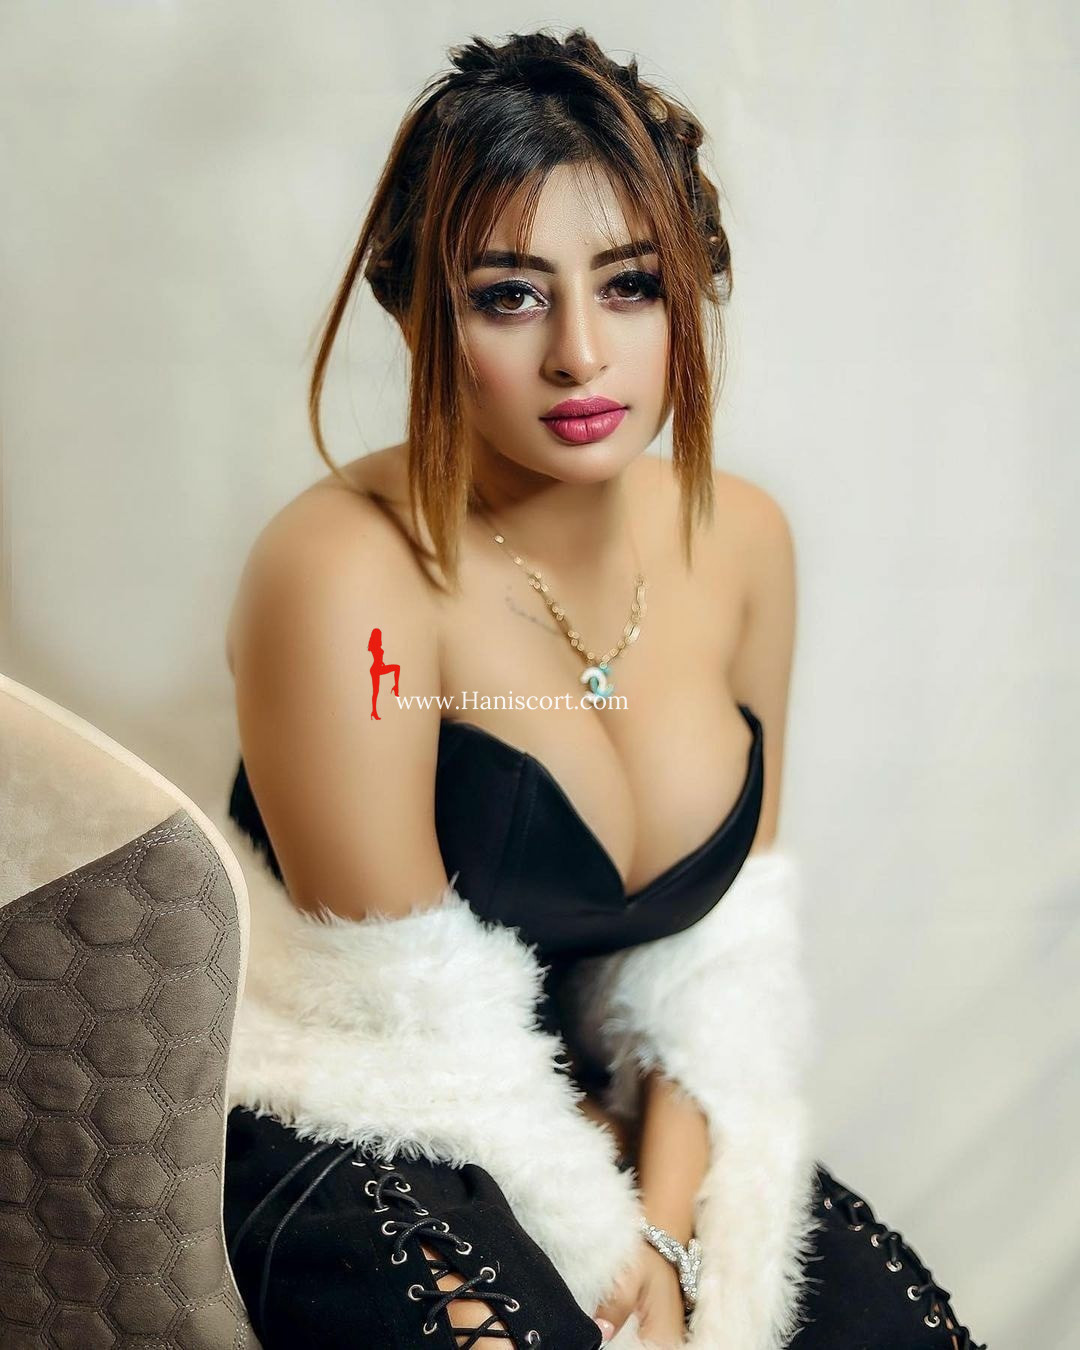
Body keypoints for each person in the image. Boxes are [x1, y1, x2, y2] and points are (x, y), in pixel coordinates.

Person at [214, 27, 984, 1350]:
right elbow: (413, 1020)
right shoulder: (340, 572)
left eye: (629, 285)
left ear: (691, 293)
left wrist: (671, 1239)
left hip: (624, 1122)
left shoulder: (743, 541)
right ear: (416, 311)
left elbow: (721, 957)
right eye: (510, 296)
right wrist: (610, 1252)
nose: (580, 353)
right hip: (378, 1114)